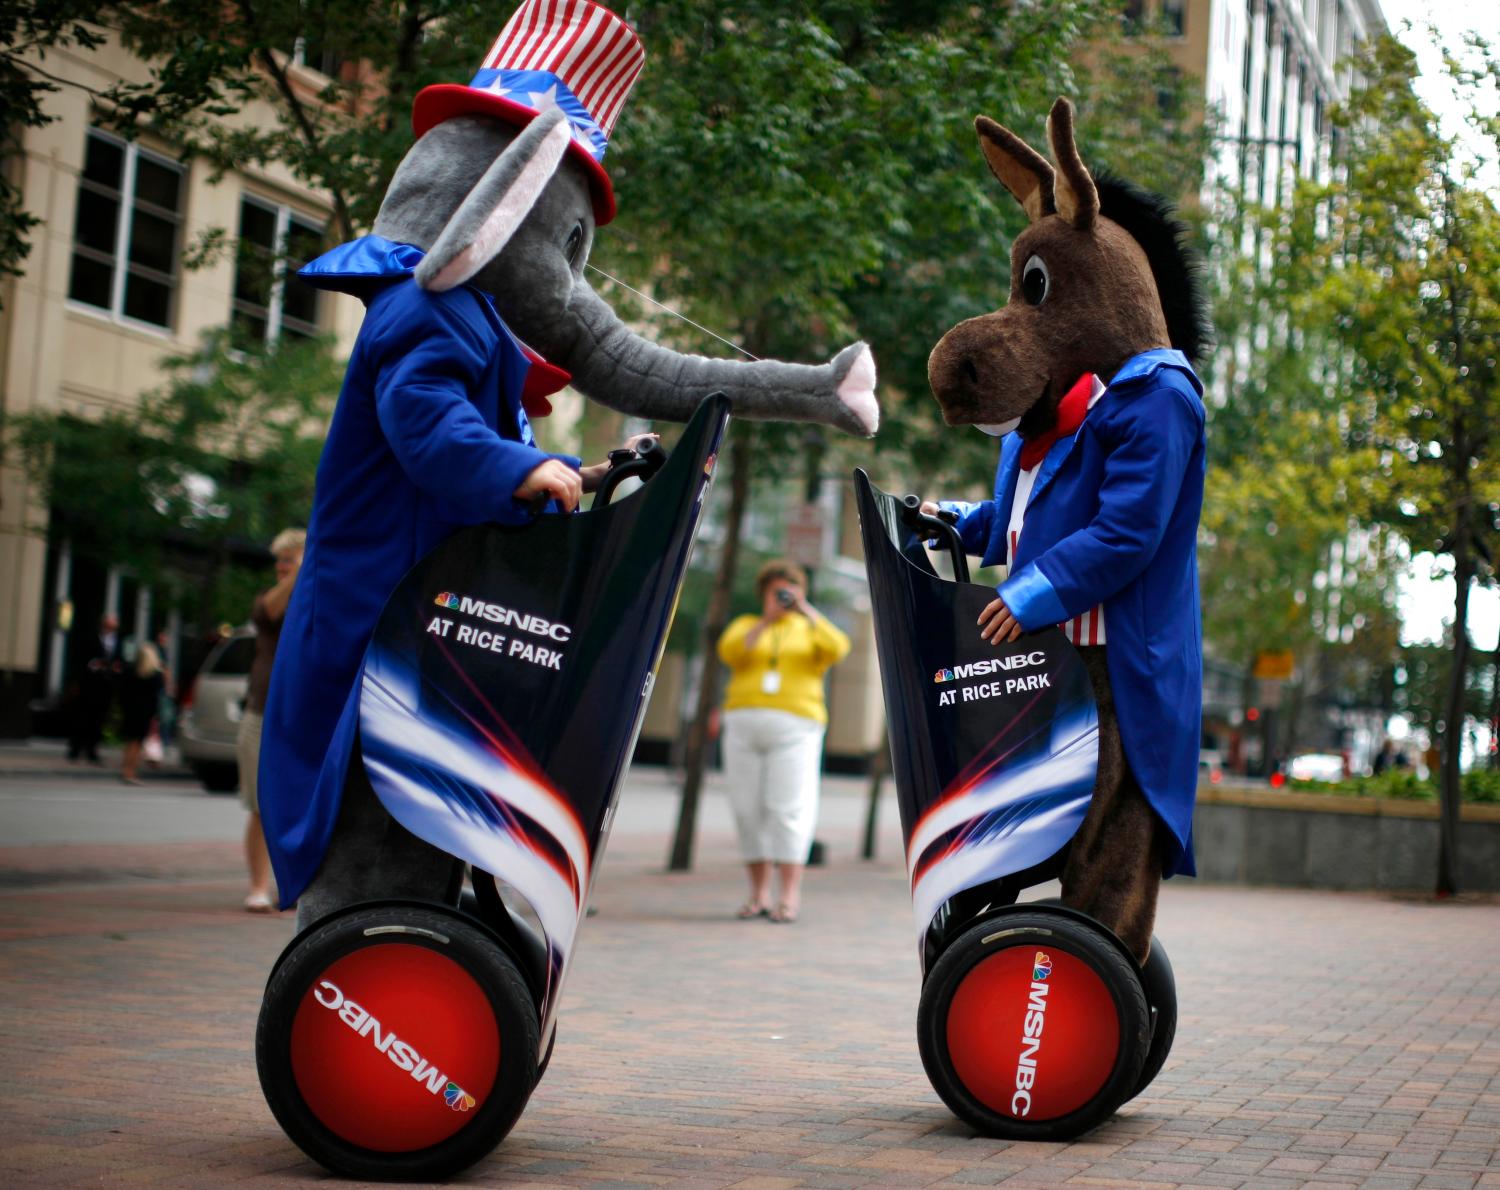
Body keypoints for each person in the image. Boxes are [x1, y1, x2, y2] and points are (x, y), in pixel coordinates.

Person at [716, 560, 850, 923]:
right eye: (777, 591)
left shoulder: (810, 629)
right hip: (743, 725)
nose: (783, 596)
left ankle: (788, 895)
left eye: (790, 590)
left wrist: (805, 610)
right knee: (748, 810)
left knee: (788, 808)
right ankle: (758, 893)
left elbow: (838, 647)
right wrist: (766, 620)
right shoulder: (746, 625)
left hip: (796, 728)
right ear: (764, 593)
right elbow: (731, 653)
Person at [240, 529, 305, 913]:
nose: (282, 566)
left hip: (302, 713)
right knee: (260, 803)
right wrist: (298, 572)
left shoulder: (317, 594)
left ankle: (292, 885)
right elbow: (271, 611)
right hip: (263, 710)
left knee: (298, 805)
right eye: (281, 560)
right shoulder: (268, 599)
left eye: (290, 559)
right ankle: (258, 886)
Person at [68, 613, 121, 763]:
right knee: (82, 717)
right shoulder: (91, 638)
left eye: (113, 625)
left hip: (106, 686)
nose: (111, 628)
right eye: (109, 625)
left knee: (99, 719)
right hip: (89, 685)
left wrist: (116, 669)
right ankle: (75, 749)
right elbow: (81, 658)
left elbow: (120, 660)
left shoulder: (118, 641)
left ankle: (92, 750)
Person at [118, 641, 164, 785]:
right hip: (145, 713)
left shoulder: (130, 671)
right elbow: (156, 697)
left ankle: (126, 770)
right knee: (137, 744)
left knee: (129, 743)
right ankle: (131, 772)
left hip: (130, 711)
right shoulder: (155, 675)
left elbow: (122, 692)